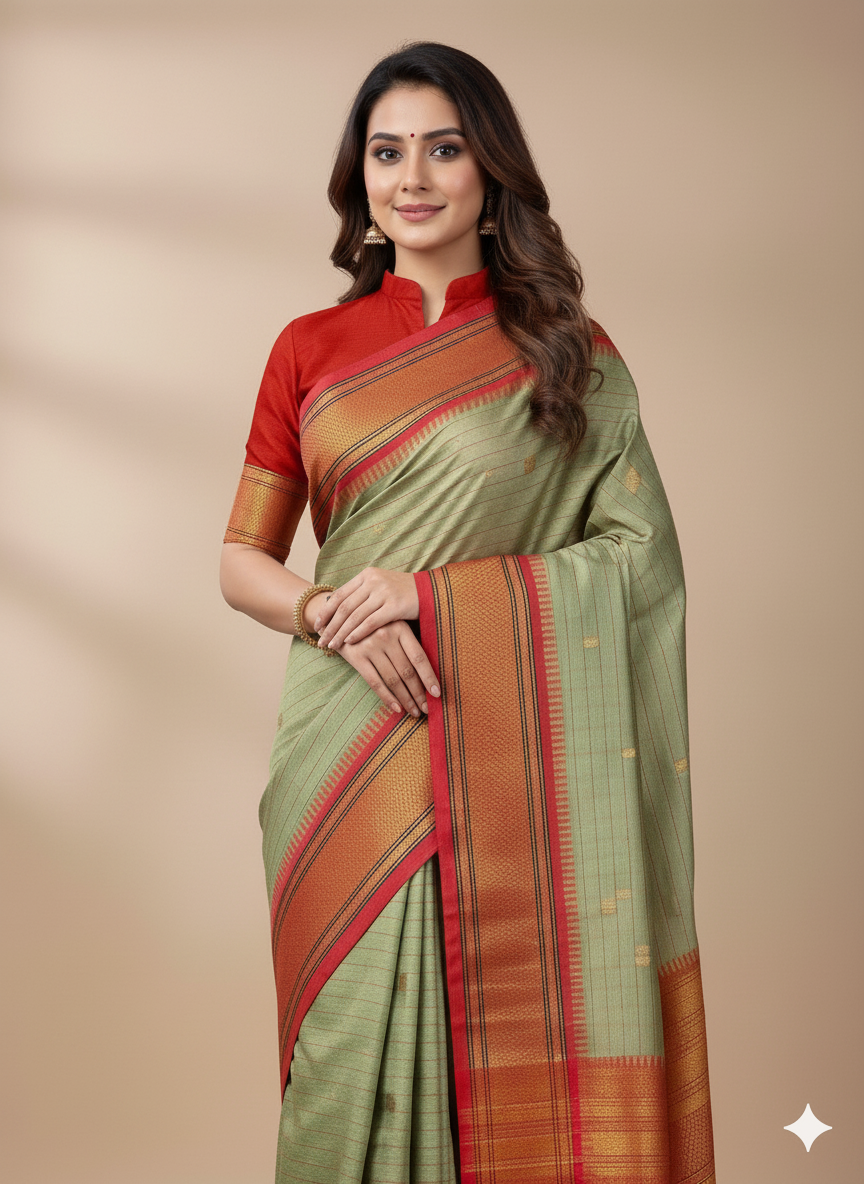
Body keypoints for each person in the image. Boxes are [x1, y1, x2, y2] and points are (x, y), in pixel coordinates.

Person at [220, 40, 716, 1184]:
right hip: (341, 744)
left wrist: (432, 596)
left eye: (443, 148)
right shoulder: (309, 348)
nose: (413, 177)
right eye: (386, 151)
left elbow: (640, 559)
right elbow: (241, 559)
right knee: (344, 1046)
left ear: (490, 172)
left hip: (503, 741)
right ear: (360, 179)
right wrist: (332, 611)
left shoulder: (570, 355)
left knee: (489, 1032)